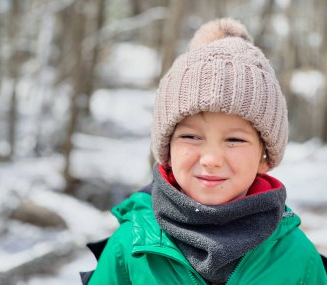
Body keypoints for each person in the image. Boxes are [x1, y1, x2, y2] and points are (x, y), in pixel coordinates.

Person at [82, 18, 327, 285]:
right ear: (168, 151)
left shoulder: (297, 257)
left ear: (264, 156)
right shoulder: (130, 247)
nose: (211, 159)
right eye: (190, 136)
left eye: (234, 140)